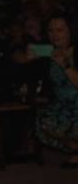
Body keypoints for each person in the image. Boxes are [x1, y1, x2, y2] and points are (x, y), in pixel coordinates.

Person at [34, 17, 78, 167]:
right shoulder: (49, 51)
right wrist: (21, 53)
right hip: (62, 104)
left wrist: (65, 65)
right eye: (50, 30)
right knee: (43, 123)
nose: (55, 35)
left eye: (60, 30)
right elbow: (23, 53)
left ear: (71, 31)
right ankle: (76, 150)